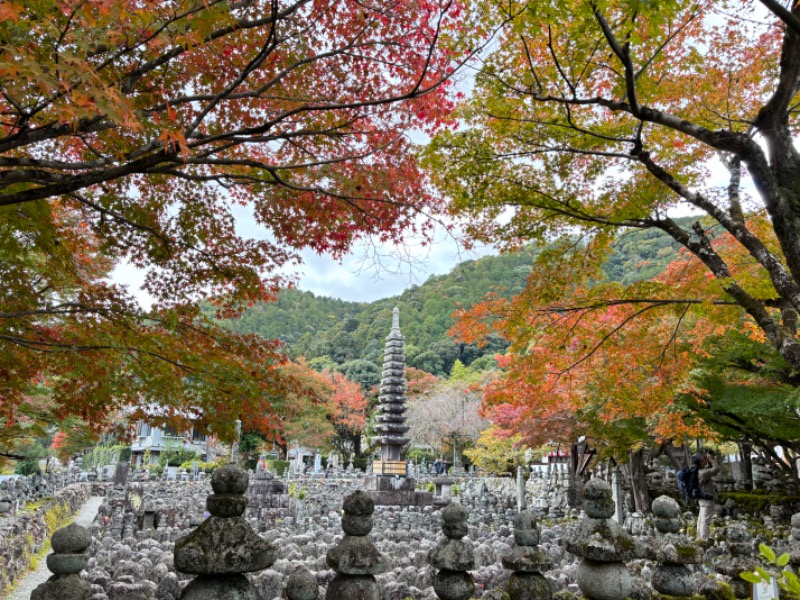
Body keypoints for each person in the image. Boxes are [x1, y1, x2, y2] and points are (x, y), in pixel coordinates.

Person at [696, 449, 721, 541]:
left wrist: (708, 461)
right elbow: (716, 469)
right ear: (700, 462)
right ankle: (704, 539)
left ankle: (699, 537)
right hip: (707, 499)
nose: (705, 460)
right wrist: (711, 459)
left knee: (701, 519)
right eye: (703, 459)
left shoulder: (698, 471)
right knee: (706, 521)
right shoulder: (703, 473)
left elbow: (709, 470)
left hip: (701, 498)